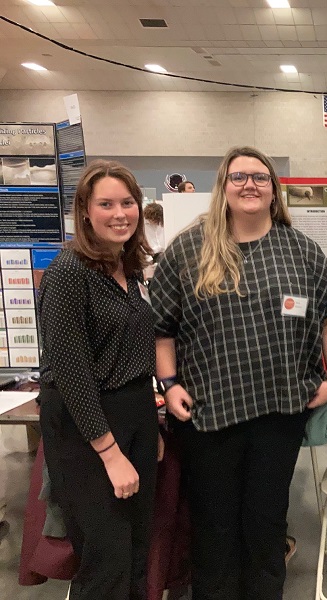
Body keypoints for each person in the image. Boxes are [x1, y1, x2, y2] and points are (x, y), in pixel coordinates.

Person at [149, 146, 327, 600]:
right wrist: (171, 382)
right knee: (214, 531)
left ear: (274, 191)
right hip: (208, 415)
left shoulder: (299, 249)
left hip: (278, 414)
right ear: (223, 187)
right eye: (239, 177)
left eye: (260, 177)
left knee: (265, 530)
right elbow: (161, 328)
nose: (250, 185)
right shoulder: (188, 248)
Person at [37, 160, 160, 600]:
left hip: (135, 414)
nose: (120, 213)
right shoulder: (69, 273)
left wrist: (148, 423)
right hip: (87, 426)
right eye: (106, 204)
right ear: (85, 211)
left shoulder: (129, 269)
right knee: (104, 560)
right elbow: (71, 374)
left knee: (135, 551)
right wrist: (110, 452)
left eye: (128, 202)